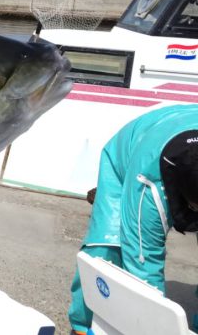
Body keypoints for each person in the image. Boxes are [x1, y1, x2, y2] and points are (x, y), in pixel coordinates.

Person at [68, 104, 198, 335]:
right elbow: (144, 265)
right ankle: (83, 326)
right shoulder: (149, 184)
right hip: (133, 152)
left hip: (184, 127)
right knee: (106, 250)